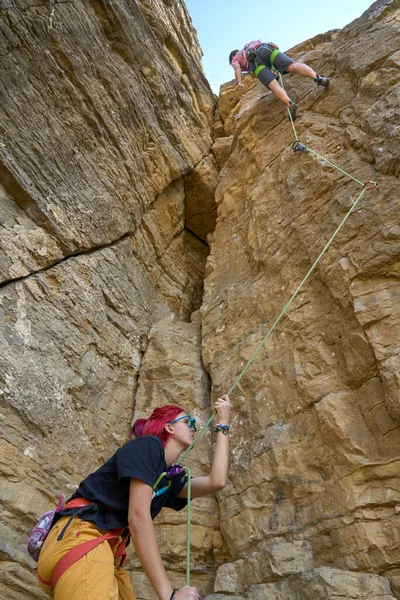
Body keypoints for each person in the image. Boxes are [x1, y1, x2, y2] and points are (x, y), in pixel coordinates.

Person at [36, 396, 231, 600]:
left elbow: (216, 481)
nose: (193, 427)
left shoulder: (164, 478)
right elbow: (138, 517)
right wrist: (170, 595)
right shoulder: (149, 446)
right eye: (187, 421)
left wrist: (223, 423)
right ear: (169, 428)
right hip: (82, 540)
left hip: (95, 552)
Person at [229, 41, 329, 120]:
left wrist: (239, 82)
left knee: (273, 85)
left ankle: (289, 104)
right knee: (291, 66)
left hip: (255, 63)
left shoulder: (235, 58)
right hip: (266, 48)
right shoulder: (250, 45)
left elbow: (237, 68)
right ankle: (318, 77)